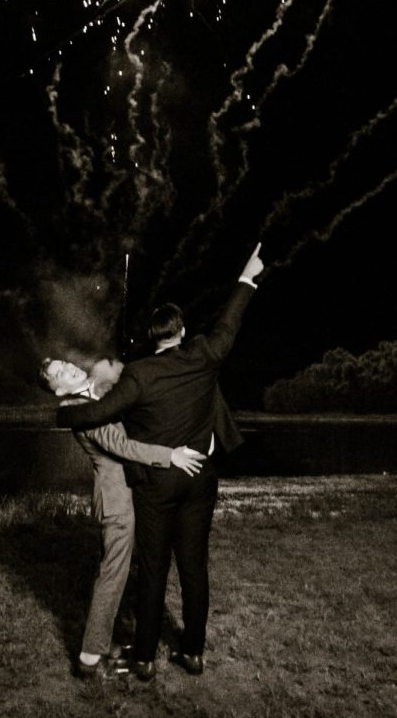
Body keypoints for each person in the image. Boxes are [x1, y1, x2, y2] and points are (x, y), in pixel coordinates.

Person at [56, 243, 264, 680]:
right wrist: (246, 279)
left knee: (153, 568)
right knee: (194, 566)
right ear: (183, 331)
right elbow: (230, 322)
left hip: (156, 482)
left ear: (153, 338)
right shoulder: (206, 353)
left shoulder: (140, 374)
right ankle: (193, 653)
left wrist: (65, 414)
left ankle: (145, 658)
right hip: (200, 476)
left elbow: (99, 413)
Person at [41, 355, 205, 681]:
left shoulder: (94, 396)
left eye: (65, 363)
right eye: (59, 373)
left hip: (122, 497)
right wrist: (168, 455)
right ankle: (89, 658)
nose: (69, 368)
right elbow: (120, 445)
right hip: (116, 502)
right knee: (112, 576)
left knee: (112, 572)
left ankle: (102, 644)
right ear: (58, 389)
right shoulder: (80, 410)